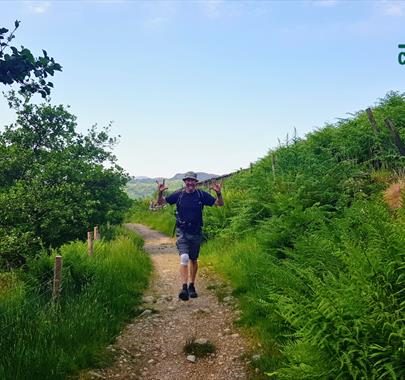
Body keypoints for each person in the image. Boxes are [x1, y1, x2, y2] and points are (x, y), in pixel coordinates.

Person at [156, 171, 224, 301]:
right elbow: (161, 203)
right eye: (188, 180)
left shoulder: (201, 195)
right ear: (184, 182)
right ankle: (184, 288)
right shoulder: (179, 195)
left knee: (193, 259)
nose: (190, 183)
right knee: (184, 257)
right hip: (182, 231)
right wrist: (160, 193)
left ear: (196, 182)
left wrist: (219, 193)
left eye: (192, 180)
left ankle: (192, 285)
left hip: (196, 231)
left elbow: (219, 204)